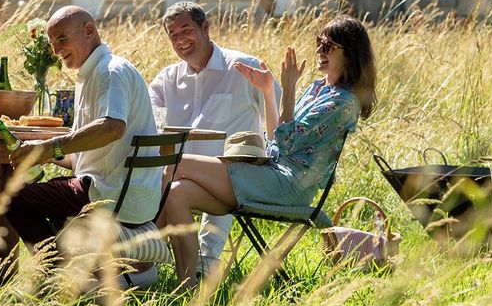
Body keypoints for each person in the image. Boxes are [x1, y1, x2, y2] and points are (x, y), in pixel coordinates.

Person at [159, 16, 378, 289]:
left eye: (329, 47)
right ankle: (186, 287)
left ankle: (146, 250)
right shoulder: (318, 88)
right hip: (272, 172)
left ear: (350, 53)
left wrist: (287, 89)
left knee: (176, 163)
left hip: (290, 187)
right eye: (319, 45)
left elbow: (285, 141)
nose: (320, 52)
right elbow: (276, 139)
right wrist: (267, 91)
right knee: (178, 192)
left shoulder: (343, 102)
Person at [0, 6, 162, 286]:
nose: (56, 50)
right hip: (128, 194)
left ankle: (60, 277)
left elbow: (112, 128)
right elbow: (82, 155)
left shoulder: (110, 71)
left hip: (111, 195)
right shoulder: (91, 74)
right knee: (41, 196)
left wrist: (49, 148)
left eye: (62, 39)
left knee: (15, 199)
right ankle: (90, 274)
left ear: (89, 30)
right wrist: (41, 152)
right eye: (52, 44)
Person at [143, 1, 281, 279]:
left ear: (205, 28)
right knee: (165, 179)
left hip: (232, 176)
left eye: (186, 31)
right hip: (179, 176)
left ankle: (157, 260)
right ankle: (162, 264)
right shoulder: (167, 79)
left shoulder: (243, 68)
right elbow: (146, 120)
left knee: (175, 173)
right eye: (173, 35)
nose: (181, 40)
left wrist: (269, 158)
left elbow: (280, 121)